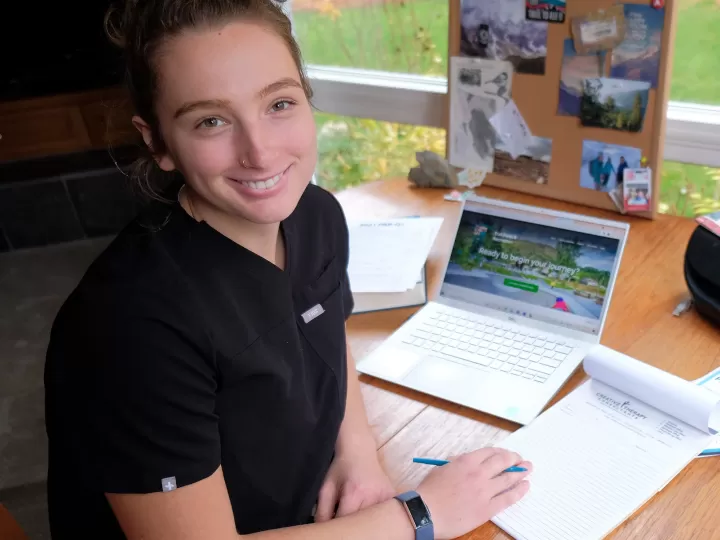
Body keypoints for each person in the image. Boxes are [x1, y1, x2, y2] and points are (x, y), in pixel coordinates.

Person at [43, 1, 532, 539]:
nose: (260, 151)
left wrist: (359, 452)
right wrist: (421, 515)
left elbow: (327, 335)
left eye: (279, 103)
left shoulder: (317, 214)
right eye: (211, 120)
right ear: (157, 141)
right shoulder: (130, 325)